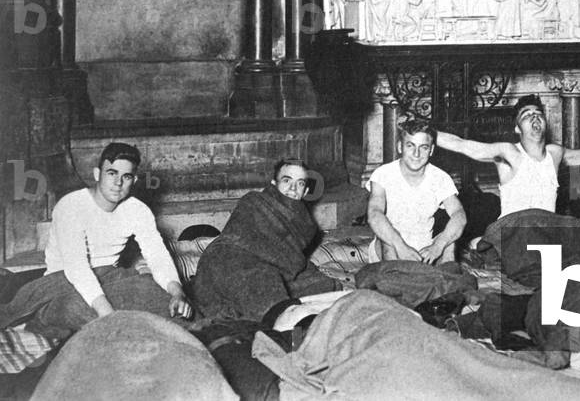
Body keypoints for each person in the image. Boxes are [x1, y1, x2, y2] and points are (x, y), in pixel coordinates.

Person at [0, 142, 190, 339]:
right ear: (97, 174)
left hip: (109, 280)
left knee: (158, 293)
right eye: (112, 173)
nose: (118, 183)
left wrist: (177, 294)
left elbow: (157, 256)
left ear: (134, 180)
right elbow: (77, 268)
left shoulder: (138, 210)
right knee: (74, 308)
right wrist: (108, 315)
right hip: (63, 285)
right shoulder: (71, 206)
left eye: (126, 176)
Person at [193, 158, 341, 322]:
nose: (292, 188)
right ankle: (279, 323)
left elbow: (291, 259)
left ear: (305, 191)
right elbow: (237, 239)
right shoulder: (254, 202)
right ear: (273, 184)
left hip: (268, 269)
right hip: (229, 259)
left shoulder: (307, 224)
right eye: (286, 180)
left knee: (323, 285)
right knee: (262, 279)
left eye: (300, 183)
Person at [436, 94, 580, 217]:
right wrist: (427, 133)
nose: (534, 117)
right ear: (517, 129)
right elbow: (463, 145)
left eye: (538, 114)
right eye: (527, 115)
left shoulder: (555, 153)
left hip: (545, 233)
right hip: (515, 233)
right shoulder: (509, 152)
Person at [367, 122, 467, 263]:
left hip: (424, 248)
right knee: (387, 242)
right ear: (400, 147)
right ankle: (394, 281)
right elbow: (374, 214)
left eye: (423, 148)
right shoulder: (383, 174)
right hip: (391, 245)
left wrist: (438, 246)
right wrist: (400, 246)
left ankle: (444, 280)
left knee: (449, 243)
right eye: (410, 146)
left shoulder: (440, 177)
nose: (416, 154)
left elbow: (459, 215)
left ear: (431, 150)